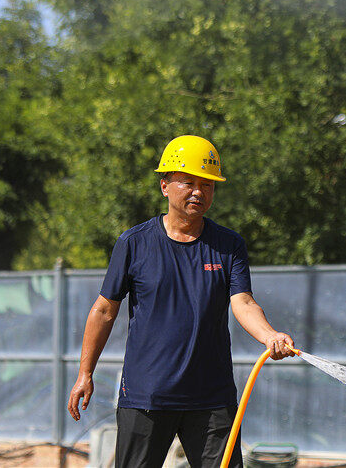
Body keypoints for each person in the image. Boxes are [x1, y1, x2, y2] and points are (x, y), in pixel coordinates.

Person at [67, 135, 295, 468]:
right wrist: (84, 373)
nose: (198, 192)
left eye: (207, 185)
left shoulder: (228, 245)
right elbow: (104, 310)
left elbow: (243, 302)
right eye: (187, 183)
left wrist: (270, 335)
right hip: (146, 395)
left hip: (211, 399)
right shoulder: (134, 243)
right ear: (165, 186)